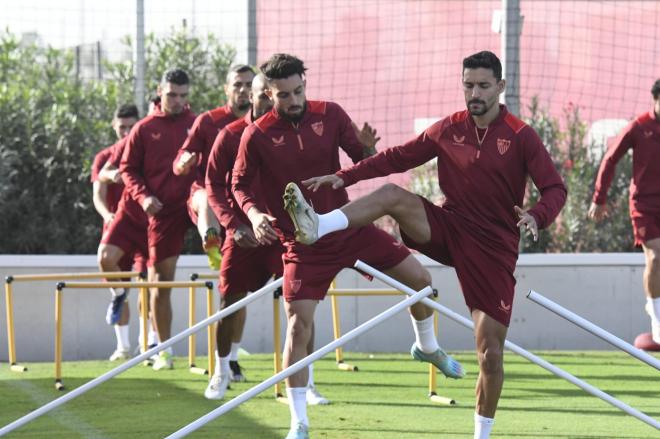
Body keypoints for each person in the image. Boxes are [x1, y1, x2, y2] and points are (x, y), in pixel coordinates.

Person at [287, 51, 567, 439]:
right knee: (392, 194)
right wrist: (344, 177)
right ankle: (319, 226)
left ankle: (481, 434)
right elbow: (398, 157)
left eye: (484, 86)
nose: (475, 93)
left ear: (501, 88)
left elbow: (555, 187)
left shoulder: (521, 135)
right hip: (447, 228)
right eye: (468, 84)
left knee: (490, 354)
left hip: (494, 248)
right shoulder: (447, 128)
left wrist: (537, 214)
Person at [232, 54, 463, 439]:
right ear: (268, 94)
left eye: (298, 91)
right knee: (297, 328)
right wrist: (255, 216)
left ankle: (427, 346)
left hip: (348, 227)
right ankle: (299, 422)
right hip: (304, 244)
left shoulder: (331, 114)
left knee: (421, 281)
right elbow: (239, 186)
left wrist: (367, 150)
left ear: (305, 84)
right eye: (284, 95)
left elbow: (363, 162)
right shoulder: (255, 135)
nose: (293, 101)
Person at [121, 69, 196, 370]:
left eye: (182, 96)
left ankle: (230, 351)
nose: (177, 101)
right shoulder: (143, 128)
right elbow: (128, 169)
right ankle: (163, 349)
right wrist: (144, 197)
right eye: (171, 95)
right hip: (163, 212)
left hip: (195, 201)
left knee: (232, 268)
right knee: (161, 282)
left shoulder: (197, 124)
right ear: (159, 91)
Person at [589, 79, 660, 350]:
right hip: (644, 205)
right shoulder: (639, 127)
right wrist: (599, 198)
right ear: (655, 99)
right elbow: (610, 159)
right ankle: (656, 322)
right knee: (655, 256)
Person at [174, 65, 255, 270]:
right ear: (226, 88)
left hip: (243, 200)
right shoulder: (208, 121)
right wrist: (183, 163)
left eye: (248, 85)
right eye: (237, 84)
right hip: (208, 192)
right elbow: (181, 157)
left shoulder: (263, 122)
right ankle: (211, 244)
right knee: (208, 197)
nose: (243, 89)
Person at [91, 103, 149, 361]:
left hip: (146, 224)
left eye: (131, 127)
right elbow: (99, 189)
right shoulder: (107, 155)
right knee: (120, 289)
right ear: (114, 126)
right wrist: (108, 215)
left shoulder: (146, 147)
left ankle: (148, 346)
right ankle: (123, 347)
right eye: (122, 127)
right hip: (117, 227)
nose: (126, 132)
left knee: (148, 285)